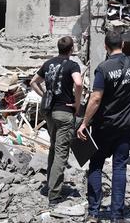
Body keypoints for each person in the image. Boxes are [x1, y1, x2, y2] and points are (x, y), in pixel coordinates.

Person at [77, 31, 130, 222]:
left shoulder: (103, 69)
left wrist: (84, 123)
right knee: (119, 168)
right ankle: (117, 216)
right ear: (122, 44)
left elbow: (96, 98)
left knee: (96, 165)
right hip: (127, 127)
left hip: (105, 126)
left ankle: (93, 213)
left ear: (106, 46)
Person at [30, 36, 83, 206]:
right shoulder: (72, 65)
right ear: (71, 49)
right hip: (64, 113)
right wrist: (76, 102)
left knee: (53, 147)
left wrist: (44, 95)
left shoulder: (48, 64)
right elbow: (79, 83)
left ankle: (49, 184)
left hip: (49, 112)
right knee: (61, 152)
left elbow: (33, 82)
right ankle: (54, 194)